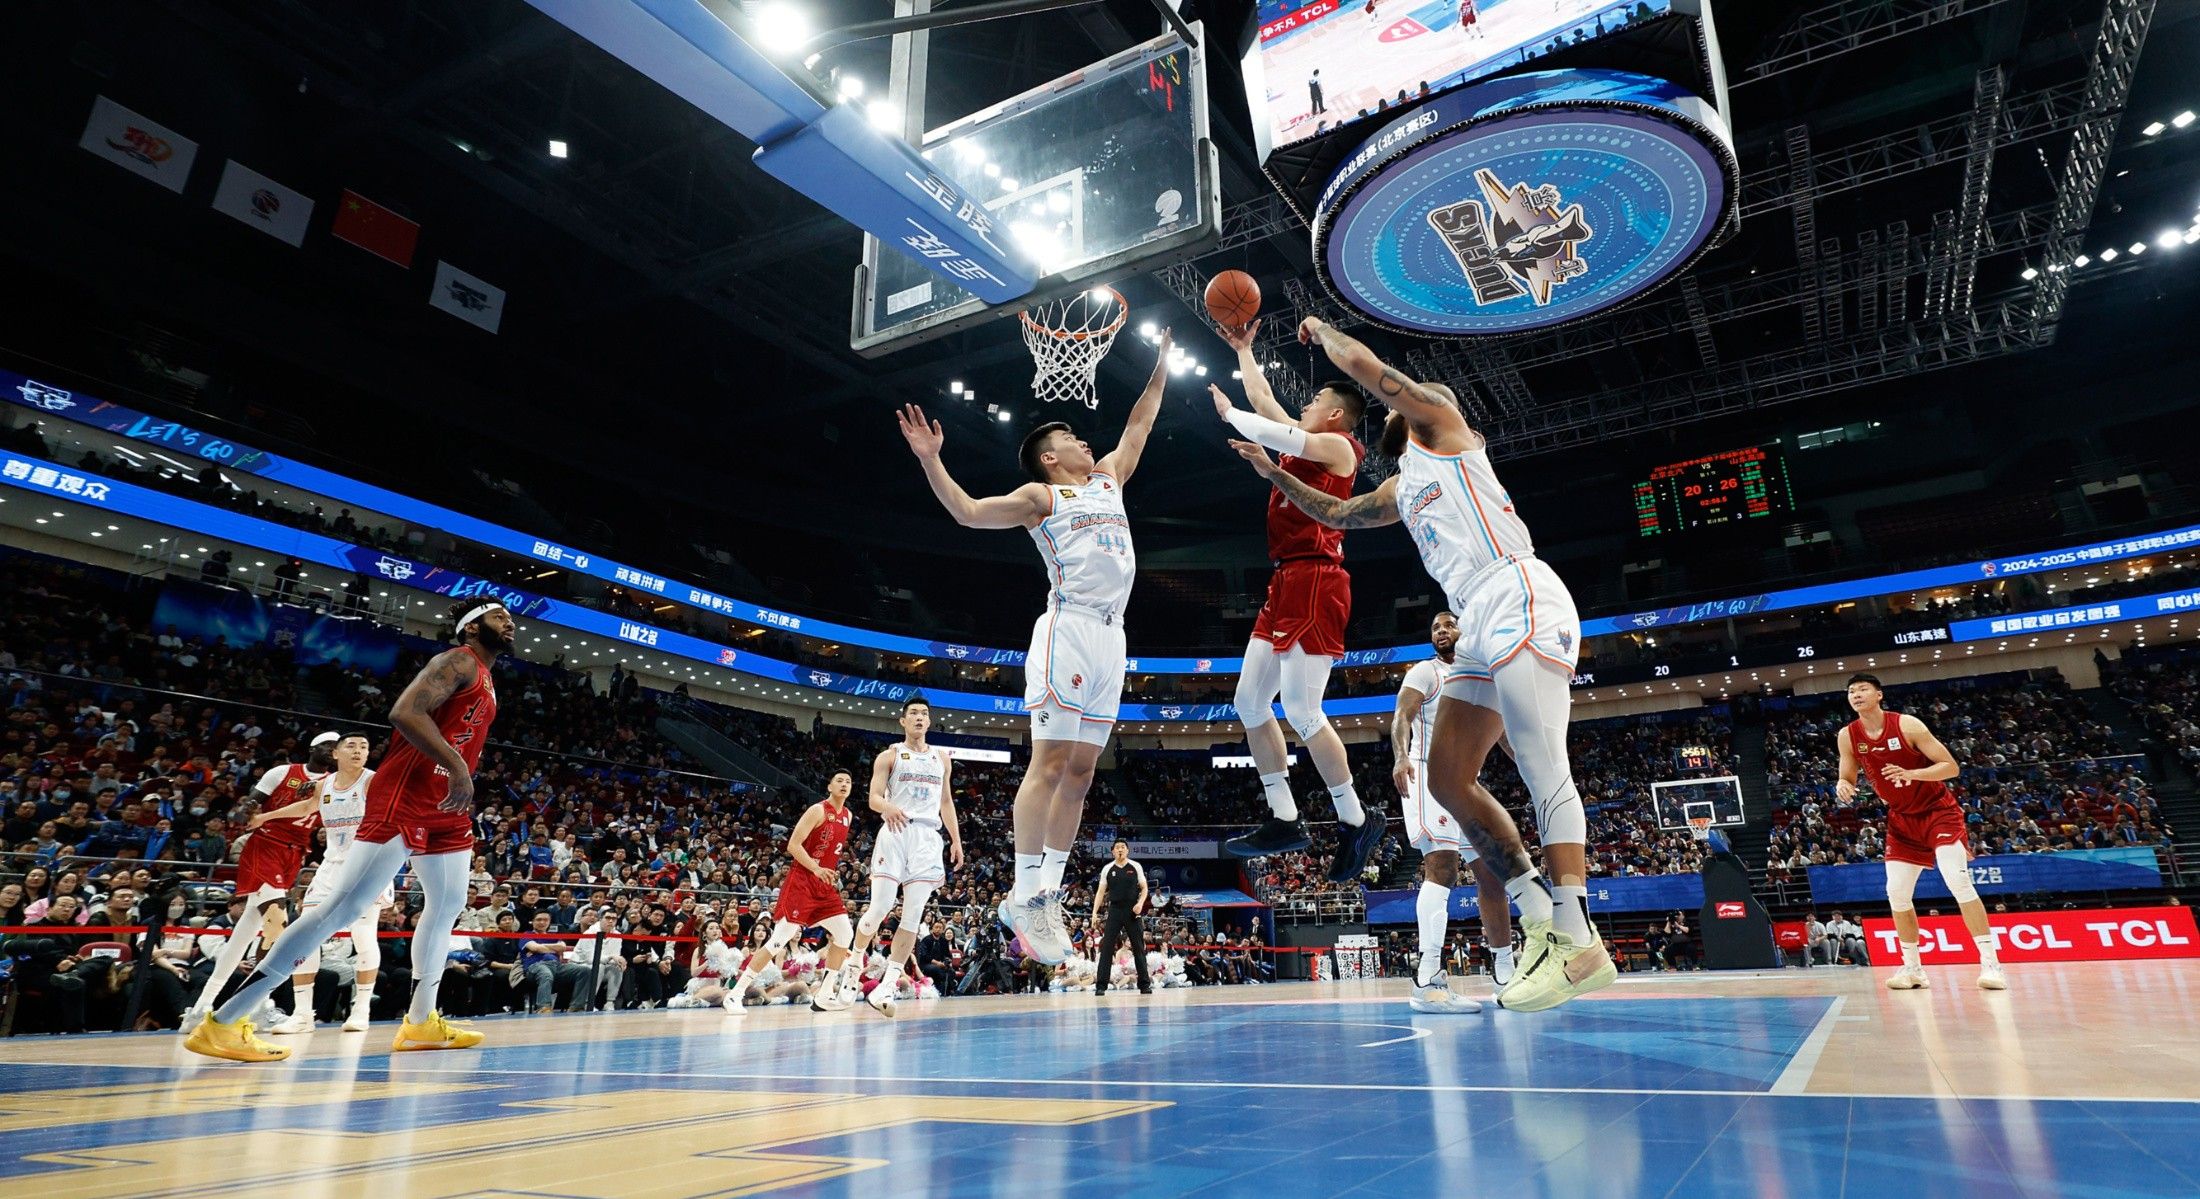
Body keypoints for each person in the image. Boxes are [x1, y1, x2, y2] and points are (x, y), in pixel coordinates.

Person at [1231, 316, 1610, 1013]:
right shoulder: (1403, 488)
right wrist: (1270, 470)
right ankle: (1534, 912)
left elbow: (1377, 372)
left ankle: (1578, 933)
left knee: (1538, 760)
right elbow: (1335, 515)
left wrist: (1322, 330)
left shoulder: (1446, 432)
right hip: (1474, 614)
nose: (1407, 402)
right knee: (1445, 775)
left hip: (1518, 587)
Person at [895, 330, 1169, 965]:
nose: (1084, 441)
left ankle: (1046, 892)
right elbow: (965, 511)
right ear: (1050, 457)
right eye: (1071, 437)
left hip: (1112, 637)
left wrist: (1158, 369)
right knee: (1048, 764)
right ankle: (1023, 891)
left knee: (1080, 773)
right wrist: (932, 459)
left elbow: (1139, 425)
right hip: (1067, 630)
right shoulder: (1040, 498)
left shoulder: (1107, 480)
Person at [184, 601, 517, 1061]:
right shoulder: (457, 659)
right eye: (500, 617)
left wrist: (455, 774)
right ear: (474, 627)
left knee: (448, 905)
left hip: (443, 806)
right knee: (339, 911)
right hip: (404, 796)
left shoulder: (485, 675)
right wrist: (458, 766)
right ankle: (225, 1021)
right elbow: (405, 712)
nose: (510, 623)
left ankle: (421, 1022)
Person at [1207, 327, 1384, 881]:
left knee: (1304, 712)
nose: (1303, 406)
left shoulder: (1339, 448)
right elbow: (1265, 403)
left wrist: (1232, 416)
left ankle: (1356, 819)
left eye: (1312, 402)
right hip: (1284, 581)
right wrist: (1241, 351)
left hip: (1316, 578)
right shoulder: (1304, 443)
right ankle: (1283, 815)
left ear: (1335, 415)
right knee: (1249, 702)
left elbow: (1258, 418)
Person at [1836, 673, 2005, 991]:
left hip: (1938, 812)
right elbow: (1848, 774)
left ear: (1879, 695)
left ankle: (1991, 965)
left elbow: (1950, 766)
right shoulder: (1848, 735)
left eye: (1862, 689)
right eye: (1851, 691)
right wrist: (1844, 784)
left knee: (1957, 880)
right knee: (1896, 892)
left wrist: (1912, 772)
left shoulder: (1907, 725)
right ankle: (1913, 969)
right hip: (1901, 819)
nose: (1856, 694)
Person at [1394, 610, 1516, 1013]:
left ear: (1467, 631)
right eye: (1435, 627)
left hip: (1466, 782)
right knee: (1443, 867)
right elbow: (1402, 717)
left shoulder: (1483, 679)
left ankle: (1505, 975)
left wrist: (1534, 770)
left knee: (1493, 875)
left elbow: (1500, 736)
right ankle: (1426, 981)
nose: (1442, 631)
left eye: (1449, 624)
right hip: (1427, 774)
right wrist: (1400, 757)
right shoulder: (1424, 672)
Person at [184, 732, 338, 1023]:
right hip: (265, 845)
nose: (333, 751)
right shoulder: (282, 772)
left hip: (294, 854)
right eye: (328, 746)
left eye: (336, 747)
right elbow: (252, 802)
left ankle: (200, 1007)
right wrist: (246, 811)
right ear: (313, 748)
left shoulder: (333, 783)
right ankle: (256, 1004)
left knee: (243, 935)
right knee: (276, 923)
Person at [837, 697, 964, 1017]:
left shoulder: (942, 758)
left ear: (929, 721)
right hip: (895, 831)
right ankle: (854, 961)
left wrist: (956, 840)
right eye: (914, 714)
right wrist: (888, 806)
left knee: (913, 914)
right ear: (903, 722)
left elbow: (946, 802)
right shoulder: (890, 755)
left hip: (927, 838)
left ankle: (887, 986)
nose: (919, 718)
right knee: (879, 907)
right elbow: (873, 798)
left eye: (924, 713)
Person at [262, 732, 383, 1035]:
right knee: (305, 935)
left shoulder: (374, 781)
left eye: (364, 746)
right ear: (336, 754)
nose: (358, 751)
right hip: (331, 866)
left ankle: (361, 1008)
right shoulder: (323, 784)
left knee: (364, 935)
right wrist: (266, 817)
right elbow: (306, 808)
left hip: (368, 865)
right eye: (351, 746)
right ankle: (303, 1015)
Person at [730, 770, 860, 1013]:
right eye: (839, 781)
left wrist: (828, 871)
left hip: (824, 884)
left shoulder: (848, 816)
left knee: (844, 933)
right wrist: (816, 868)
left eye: (848, 781)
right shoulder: (817, 810)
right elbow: (793, 845)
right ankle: (735, 994)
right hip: (802, 880)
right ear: (829, 786)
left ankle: (824, 993)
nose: (844, 784)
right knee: (779, 939)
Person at [1090, 840, 1152, 997]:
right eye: (1117, 848)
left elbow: (1144, 889)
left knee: (1138, 947)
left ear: (1127, 850)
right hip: (1115, 910)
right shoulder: (1107, 869)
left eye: (1122, 847)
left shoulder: (1135, 866)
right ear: (1112, 851)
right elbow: (1100, 892)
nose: (1120, 850)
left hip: (1132, 911)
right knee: (1106, 948)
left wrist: (1140, 903)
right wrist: (1094, 912)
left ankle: (1144, 984)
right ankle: (1101, 985)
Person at [914, 921, 955, 998]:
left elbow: (948, 955)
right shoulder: (926, 940)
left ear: (943, 930)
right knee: (936, 970)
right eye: (936, 927)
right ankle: (938, 992)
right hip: (926, 964)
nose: (938, 929)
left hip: (941, 963)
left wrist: (948, 962)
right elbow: (924, 955)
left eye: (940, 928)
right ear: (932, 929)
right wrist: (937, 963)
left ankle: (948, 992)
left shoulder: (944, 941)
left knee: (951, 971)